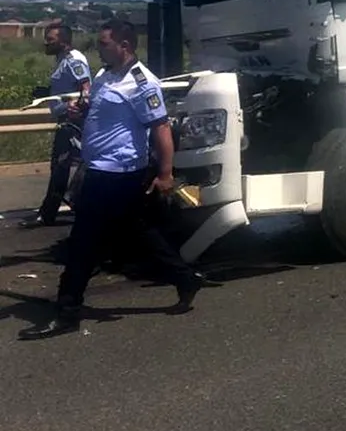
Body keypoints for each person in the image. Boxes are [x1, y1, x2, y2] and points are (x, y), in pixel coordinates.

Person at [20, 20, 206, 340]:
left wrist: (165, 174)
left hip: (117, 171)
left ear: (124, 46)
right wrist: (80, 111)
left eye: (104, 43)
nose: (99, 48)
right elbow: (98, 110)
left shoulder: (142, 83)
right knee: (136, 230)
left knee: (83, 240)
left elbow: (160, 128)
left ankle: (67, 310)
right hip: (101, 167)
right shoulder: (106, 74)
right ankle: (185, 278)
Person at [22, 25, 92, 229]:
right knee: (61, 166)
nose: (46, 42)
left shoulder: (74, 60)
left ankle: (51, 211)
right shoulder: (62, 59)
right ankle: (56, 209)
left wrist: (74, 107)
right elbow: (67, 87)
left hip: (73, 122)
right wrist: (47, 92)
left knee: (61, 166)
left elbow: (86, 90)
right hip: (66, 119)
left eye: (50, 39)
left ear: (64, 41)